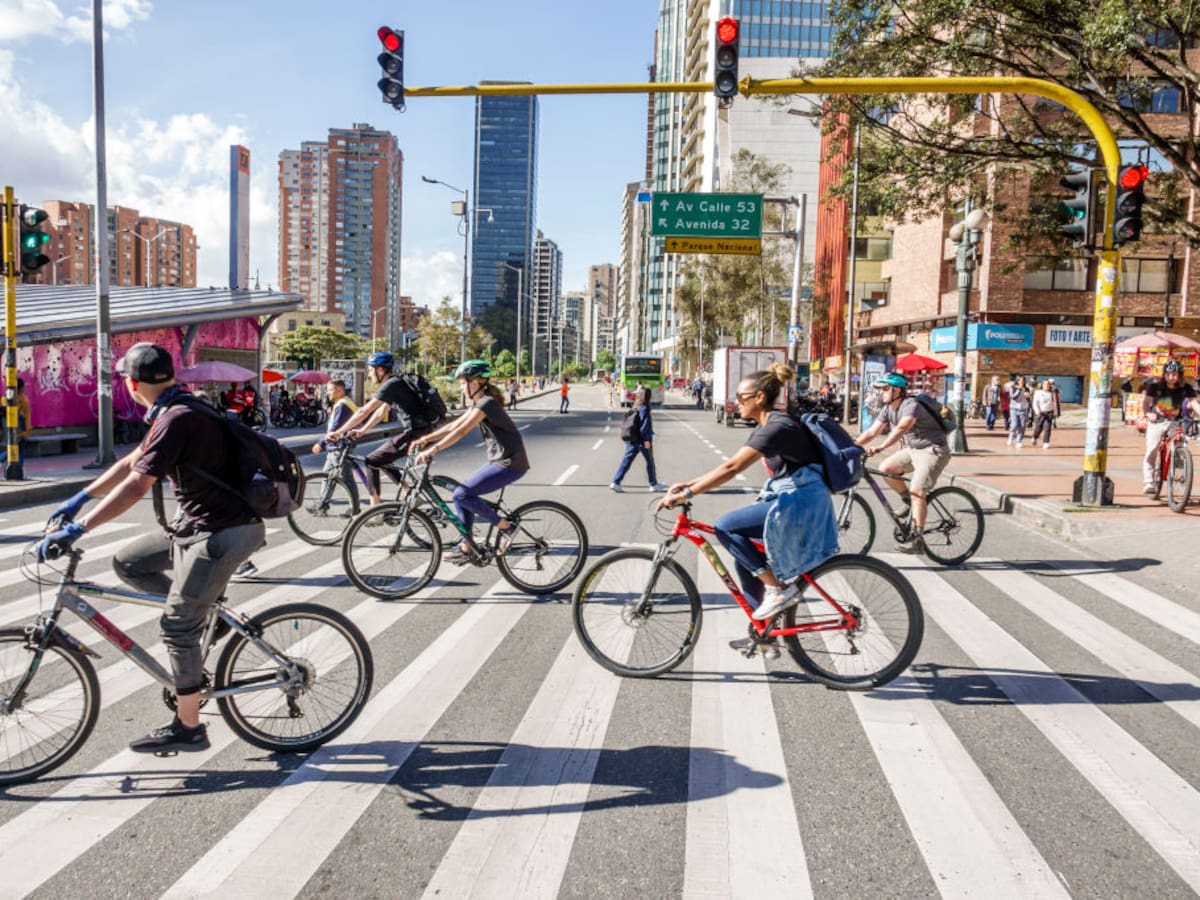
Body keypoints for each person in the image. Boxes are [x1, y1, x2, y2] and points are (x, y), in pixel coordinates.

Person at [37, 342, 264, 753]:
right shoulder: (175, 410)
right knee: (130, 563)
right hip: (200, 526)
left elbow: (137, 485)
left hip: (222, 532)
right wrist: (80, 497)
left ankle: (189, 727)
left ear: (132, 383)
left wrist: (78, 529)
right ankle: (201, 614)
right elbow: (131, 464)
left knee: (176, 626)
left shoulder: (178, 417)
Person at [657, 363, 837, 652]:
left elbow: (732, 468)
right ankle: (763, 631)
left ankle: (778, 589)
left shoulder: (777, 426)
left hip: (801, 502)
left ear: (760, 398)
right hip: (794, 499)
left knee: (727, 527)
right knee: (744, 554)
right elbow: (729, 463)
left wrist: (688, 493)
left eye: (741, 397)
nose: (736, 402)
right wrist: (688, 483)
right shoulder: (772, 424)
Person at [412, 360, 528, 564]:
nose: (460, 387)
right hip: (500, 461)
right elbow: (456, 424)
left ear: (475, 383)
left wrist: (434, 449)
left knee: (462, 494)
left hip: (510, 463)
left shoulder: (487, 403)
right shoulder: (481, 403)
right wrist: (426, 439)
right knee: (460, 496)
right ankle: (467, 547)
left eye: (463, 382)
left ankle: (507, 527)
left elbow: (461, 431)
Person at [854, 372, 952, 554]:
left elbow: (902, 428)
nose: (881, 393)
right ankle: (907, 501)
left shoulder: (911, 406)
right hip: (913, 450)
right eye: (880, 389)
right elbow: (872, 431)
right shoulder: (888, 408)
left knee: (918, 491)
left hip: (933, 450)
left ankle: (917, 539)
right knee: (886, 468)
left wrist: (881, 447)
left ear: (897, 390)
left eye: (885, 389)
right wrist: (851, 446)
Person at [326, 351, 439, 506]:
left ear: (380, 370)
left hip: (416, 433)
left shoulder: (391, 385)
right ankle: (409, 493)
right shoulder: (396, 383)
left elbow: (364, 411)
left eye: (371, 370)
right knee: (382, 460)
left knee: (372, 461)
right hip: (420, 430)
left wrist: (338, 432)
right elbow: (381, 412)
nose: (369, 375)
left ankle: (375, 507)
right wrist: (363, 430)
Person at [1141, 358, 1200, 496]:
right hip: (1157, 421)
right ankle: (1149, 482)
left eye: (1174, 374)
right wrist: (1149, 413)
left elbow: (1194, 403)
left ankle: (1178, 460)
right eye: (1168, 374)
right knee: (1152, 449)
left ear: (1179, 375)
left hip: (1176, 421)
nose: (1171, 377)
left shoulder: (1186, 388)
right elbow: (1146, 402)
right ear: (1164, 374)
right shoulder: (1155, 387)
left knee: (1181, 442)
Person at [311, 379, 359, 506]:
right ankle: (322, 504)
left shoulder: (343, 405)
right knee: (327, 476)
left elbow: (335, 429)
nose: (327, 393)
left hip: (340, 447)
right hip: (335, 447)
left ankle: (356, 508)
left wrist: (321, 443)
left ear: (339, 390)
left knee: (347, 479)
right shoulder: (343, 403)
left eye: (330, 390)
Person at [609, 387, 668, 493]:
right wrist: (646, 440)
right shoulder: (645, 408)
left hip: (632, 438)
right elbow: (645, 426)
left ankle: (615, 482)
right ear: (648, 396)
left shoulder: (635, 406)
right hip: (642, 440)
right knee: (650, 461)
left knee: (626, 460)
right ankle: (653, 484)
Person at [2, 376, 32, 468]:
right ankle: (18, 471)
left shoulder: (5, 399)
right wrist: (27, 431)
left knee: (12, 449)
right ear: (20, 388)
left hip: (8, 430)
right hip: (20, 429)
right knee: (19, 450)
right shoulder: (24, 400)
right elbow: (27, 416)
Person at [1031, 379, 1057, 450]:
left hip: (1049, 413)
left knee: (1047, 428)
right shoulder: (1038, 393)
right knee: (1038, 428)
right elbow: (1035, 403)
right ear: (1042, 385)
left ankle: (1046, 442)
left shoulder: (1052, 393)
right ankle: (1034, 437)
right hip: (1040, 413)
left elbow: (1054, 403)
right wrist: (1037, 411)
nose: (1047, 385)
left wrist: (1055, 412)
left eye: (1048, 384)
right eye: (1046, 384)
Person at [1007, 375, 1031, 448]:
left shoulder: (1026, 388)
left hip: (1023, 408)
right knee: (1014, 424)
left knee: (1022, 425)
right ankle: (1011, 436)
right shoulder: (1013, 387)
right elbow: (1013, 397)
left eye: (1023, 380)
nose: (1022, 382)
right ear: (1017, 381)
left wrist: (1028, 397)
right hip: (1014, 408)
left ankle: (1019, 441)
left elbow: (1028, 399)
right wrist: (1019, 390)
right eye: (1020, 380)